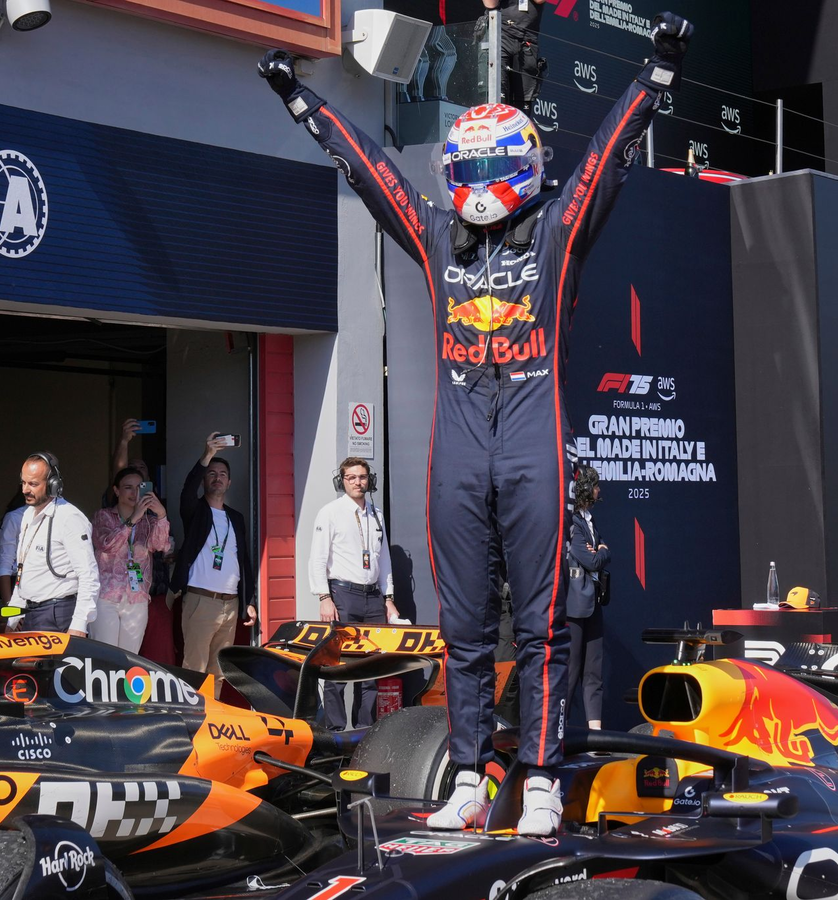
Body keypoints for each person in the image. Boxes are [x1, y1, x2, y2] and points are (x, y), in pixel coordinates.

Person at [259, 11, 692, 836]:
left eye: (495, 165)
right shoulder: (436, 238)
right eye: (469, 167)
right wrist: (302, 101)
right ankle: (467, 774)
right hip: (457, 450)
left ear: (524, 167)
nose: (481, 180)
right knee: (460, 630)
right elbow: (373, 173)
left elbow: (604, 160)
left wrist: (655, 73)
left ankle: (541, 778)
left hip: (532, 442)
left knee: (541, 627)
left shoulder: (556, 232)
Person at [309, 458, 398, 730]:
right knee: (337, 667)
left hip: (373, 597)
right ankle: (335, 732)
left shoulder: (376, 514)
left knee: (370, 669)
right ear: (342, 481)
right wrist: (324, 597)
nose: (358, 482)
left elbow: (384, 559)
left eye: (362, 477)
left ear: (369, 480)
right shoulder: (330, 512)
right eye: (351, 477)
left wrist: (388, 598)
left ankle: (364, 730)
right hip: (342, 594)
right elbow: (317, 559)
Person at [171, 433, 257, 690]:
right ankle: (193, 714)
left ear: (229, 482)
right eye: (211, 473)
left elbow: (243, 561)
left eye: (222, 474)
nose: (217, 477)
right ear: (204, 480)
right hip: (201, 600)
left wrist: (249, 600)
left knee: (219, 672)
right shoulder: (195, 511)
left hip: (230, 604)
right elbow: (187, 492)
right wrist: (206, 456)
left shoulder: (235, 518)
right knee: (194, 669)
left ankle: (213, 714)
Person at [9, 453, 100, 635]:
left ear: (53, 484)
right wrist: (12, 619)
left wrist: (79, 624)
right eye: (23, 483)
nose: (25, 490)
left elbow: (88, 574)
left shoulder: (70, 518)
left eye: (33, 484)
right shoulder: (27, 515)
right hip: (30, 613)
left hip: (58, 613)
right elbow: (24, 570)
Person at [91, 467, 171, 651]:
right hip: (106, 596)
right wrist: (132, 520)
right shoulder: (103, 516)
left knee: (129, 657)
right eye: (128, 487)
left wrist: (161, 515)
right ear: (116, 490)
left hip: (136, 597)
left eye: (139, 487)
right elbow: (107, 544)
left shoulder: (148, 522)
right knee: (105, 655)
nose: (134, 493)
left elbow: (160, 545)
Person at [565, 466, 609, 730]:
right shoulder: (572, 521)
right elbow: (591, 559)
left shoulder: (589, 519)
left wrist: (600, 550)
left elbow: (599, 552)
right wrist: (602, 552)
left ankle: (596, 733)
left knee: (594, 671)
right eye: (595, 485)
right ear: (584, 489)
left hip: (593, 605)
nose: (598, 490)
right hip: (573, 607)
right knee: (570, 671)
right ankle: (559, 730)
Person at [482, 0, 545, 113]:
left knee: (523, 104)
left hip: (527, 39)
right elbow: (490, 4)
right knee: (497, 95)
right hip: (499, 35)